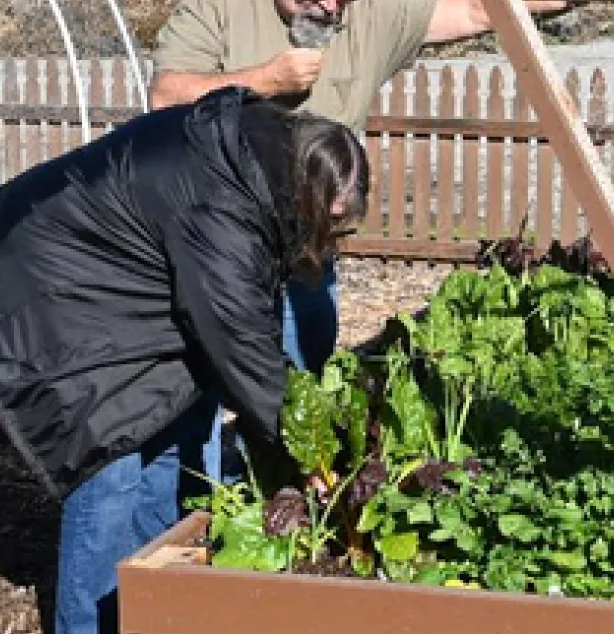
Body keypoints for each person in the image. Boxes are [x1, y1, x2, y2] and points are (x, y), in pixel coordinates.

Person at [0, 86, 370, 634]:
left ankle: (152, 611)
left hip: (114, 282)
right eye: (330, 223)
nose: (330, 238)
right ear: (306, 192)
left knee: (173, 429)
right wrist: (308, 452)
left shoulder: (261, 162)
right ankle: (91, 624)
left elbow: (246, 319)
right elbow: (242, 342)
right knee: (110, 463)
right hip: (46, 284)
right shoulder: (223, 204)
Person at [146, 0, 578, 487]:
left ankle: (266, 496)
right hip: (215, 252)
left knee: (298, 391)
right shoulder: (219, 9)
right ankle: (198, 505)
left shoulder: (368, 15)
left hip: (306, 258)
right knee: (200, 394)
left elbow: (481, 9)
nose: (330, 7)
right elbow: (166, 97)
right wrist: (266, 80)